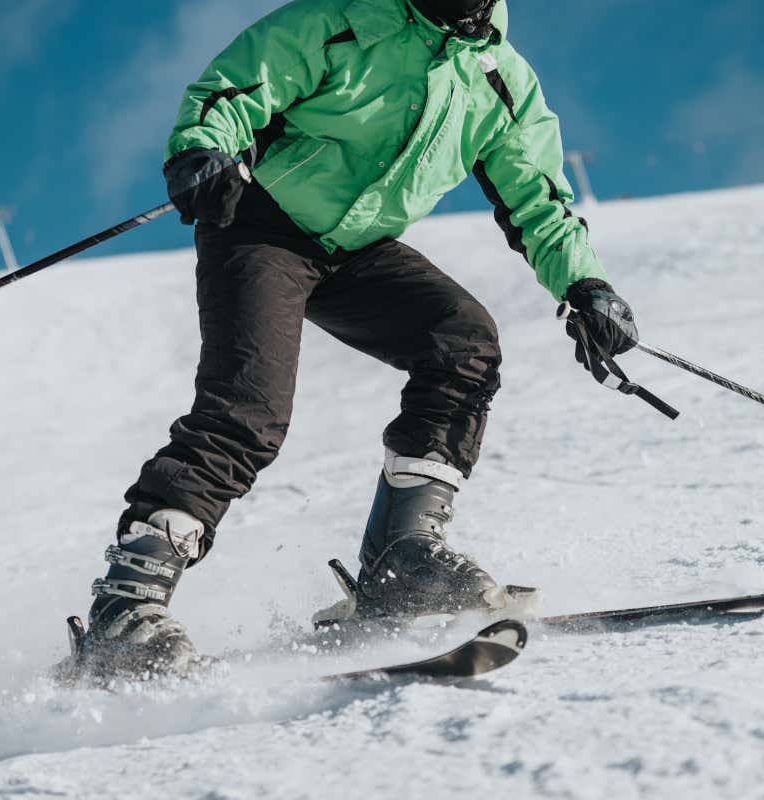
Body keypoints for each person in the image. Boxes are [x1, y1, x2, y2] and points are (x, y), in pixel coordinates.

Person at [72, 0, 639, 677]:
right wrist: (204, 147)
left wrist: (587, 287)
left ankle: (403, 561)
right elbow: (238, 83)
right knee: (248, 412)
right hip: (260, 223)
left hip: (357, 248)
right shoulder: (344, 18)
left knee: (463, 342)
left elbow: (538, 202)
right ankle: (126, 608)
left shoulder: (500, 81)